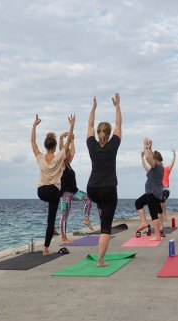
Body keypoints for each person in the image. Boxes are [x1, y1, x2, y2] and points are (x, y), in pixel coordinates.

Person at [32, 113, 75, 255]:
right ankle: (45, 249)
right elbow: (68, 141)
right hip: (53, 191)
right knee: (51, 219)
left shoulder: (40, 157)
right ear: (55, 146)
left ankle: (52, 233)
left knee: (50, 216)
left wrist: (34, 126)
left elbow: (33, 143)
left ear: (45, 146)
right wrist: (72, 125)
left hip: (41, 191)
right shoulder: (59, 157)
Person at [86, 94, 122, 267]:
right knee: (106, 227)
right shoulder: (113, 144)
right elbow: (119, 125)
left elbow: (90, 125)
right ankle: (100, 261)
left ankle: (100, 211)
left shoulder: (91, 145)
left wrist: (93, 108)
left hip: (92, 189)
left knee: (101, 205)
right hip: (108, 188)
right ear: (108, 134)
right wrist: (117, 106)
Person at [58, 131, 94, 244]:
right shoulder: (62, 164)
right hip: (65, 194)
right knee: (64, 215)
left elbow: (73, 151)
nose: (70, 155)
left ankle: (86, 219)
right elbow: (62, 151)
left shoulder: (68, 164)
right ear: (65, 155)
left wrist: (72, 140)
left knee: (89, 197)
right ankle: (63, 237)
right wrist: (61, 139)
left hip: (74, 192)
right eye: (68, 154)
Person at [135, 138, 165, 241]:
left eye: (153, 157)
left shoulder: (157, 167)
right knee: (138, 203)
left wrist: (145, 146)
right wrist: (142, 157)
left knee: (153, 214)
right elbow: (145, 164)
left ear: (155, 159)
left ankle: (157, 236)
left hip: (153, 193)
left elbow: (149, 157)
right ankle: (143, 222)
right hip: (150, 193)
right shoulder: (154, 168)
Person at [159, 149, 176, 229]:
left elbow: (172, 164)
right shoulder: (157, 171)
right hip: (159, 189)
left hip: (165, 189)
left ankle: (164, 213)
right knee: (159, 204)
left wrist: (174, 156)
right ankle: (161, 217)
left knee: (162, 202)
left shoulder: (166, 170)